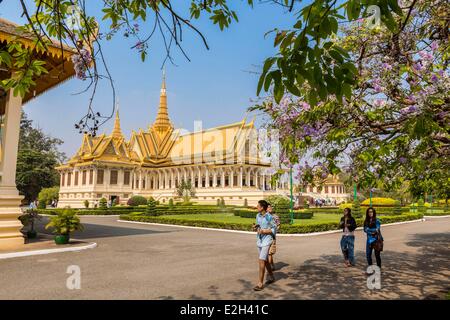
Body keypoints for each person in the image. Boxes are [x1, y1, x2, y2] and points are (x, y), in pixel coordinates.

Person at [252, 200, 276, 291]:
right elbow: (258, 226)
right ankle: (272, 277)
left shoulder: (269, 217)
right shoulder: (257, 215)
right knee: (265, 261)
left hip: (267, 241)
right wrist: (255, 227)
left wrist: (264, 231)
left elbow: (274, 229)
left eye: (258, 206)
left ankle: (260, 283)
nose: (257, 207)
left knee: (261, 260)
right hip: (259, 240)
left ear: (262, 207)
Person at [267, 204, 280, 271]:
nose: (270, 208)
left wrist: (273, 231)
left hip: (272, 236)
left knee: (269, 253)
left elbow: (278, 225)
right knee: (269, 253)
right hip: (264, 237)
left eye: (270, 207)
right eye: (268, 207)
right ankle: (272, 265)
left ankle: (269, 268)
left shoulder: (275, 216)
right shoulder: (263, 216)